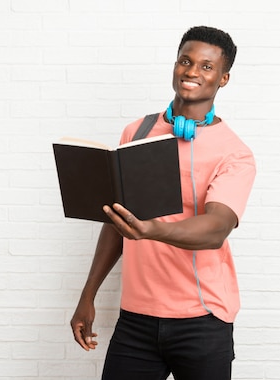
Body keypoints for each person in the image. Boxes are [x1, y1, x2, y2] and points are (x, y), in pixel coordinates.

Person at [70, 26, 256, 380]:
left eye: (205, 66)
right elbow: (115, 221)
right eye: (185, 61)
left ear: (224, 78)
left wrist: (151, 230)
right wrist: (88, 294)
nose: (191, 72)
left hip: (202, 322)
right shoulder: (136, 132)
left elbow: (216, 228)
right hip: (136, 320)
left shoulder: (235, 153)